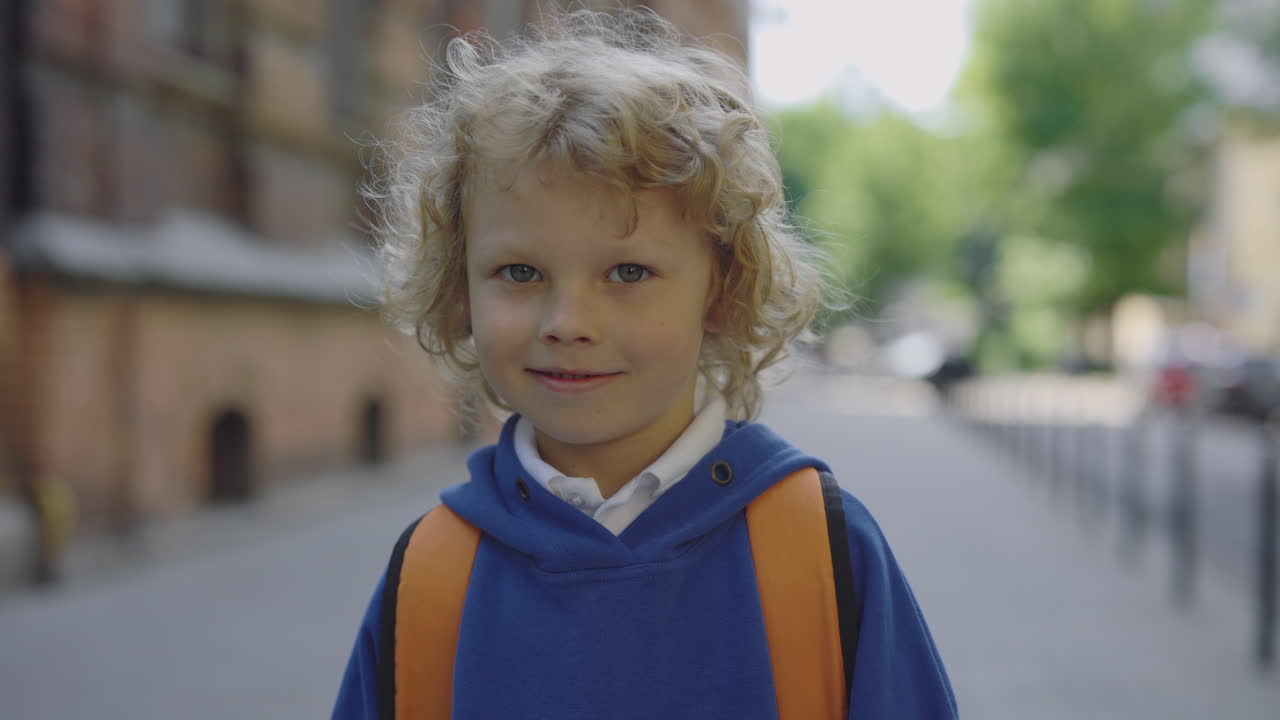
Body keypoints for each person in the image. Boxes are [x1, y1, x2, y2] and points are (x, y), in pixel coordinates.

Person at [332, 9, 956, 718]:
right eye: (519, 272)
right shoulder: (431, 574)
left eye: (627, 273)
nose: (568, 323)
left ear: (720, 291)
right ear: (458, 286)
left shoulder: (819, 545)